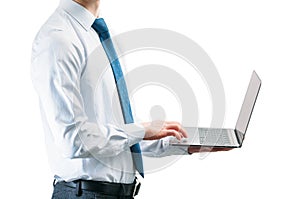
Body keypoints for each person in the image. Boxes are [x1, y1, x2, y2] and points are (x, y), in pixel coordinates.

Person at [31, 0, 229, 198]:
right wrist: (141, 130)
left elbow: (117, 135)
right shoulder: (58, 39)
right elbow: (73, 140)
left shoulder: (101, 34)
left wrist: (179, 141)